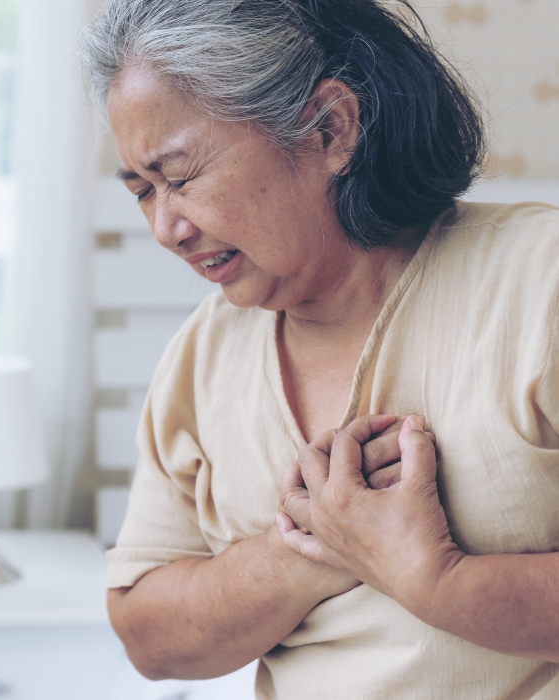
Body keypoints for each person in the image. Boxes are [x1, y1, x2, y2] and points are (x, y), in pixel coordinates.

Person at [82, 1, 559, 697]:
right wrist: (305, 547)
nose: (165, 227)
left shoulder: (539, 282)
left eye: (180, 177)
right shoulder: (203, 353)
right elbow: (148, 636)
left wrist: (438, 579)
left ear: (330, 129)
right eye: (142, 192)